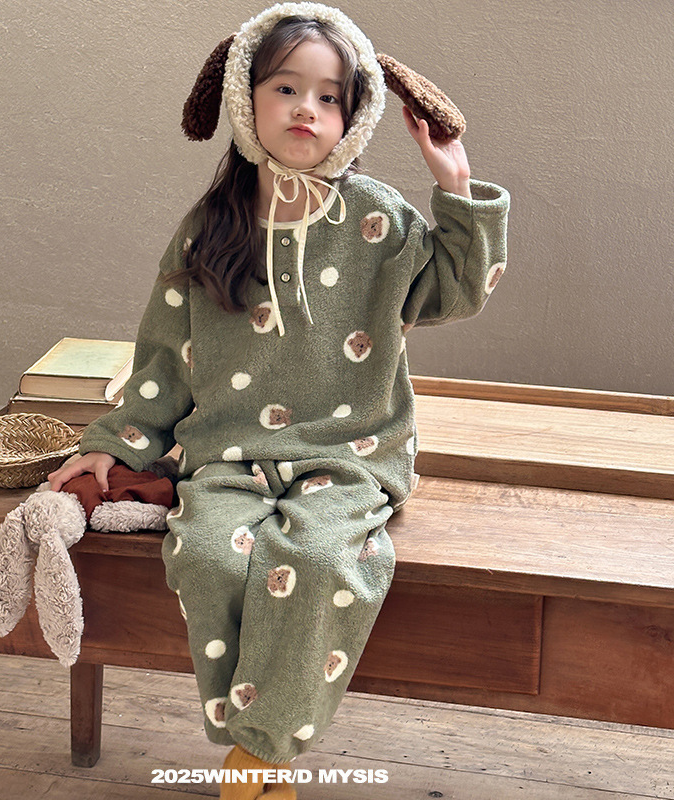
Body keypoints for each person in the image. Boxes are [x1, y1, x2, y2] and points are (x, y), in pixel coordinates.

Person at [48, 3, 509, 798]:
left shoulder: (379, 219)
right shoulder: (208, 227)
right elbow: (164, 355)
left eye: (330, 97)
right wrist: (116, 441)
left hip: (349, 452)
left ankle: (258, 757)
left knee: (324, 559)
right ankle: (256, 752)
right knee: (204, 554)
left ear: (353, 116)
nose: (307, 109)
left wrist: (456, 184)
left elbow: (458, 291)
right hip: (228, 454)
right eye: (286, 88)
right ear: (245, 99)